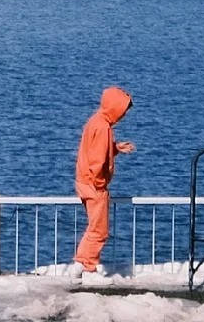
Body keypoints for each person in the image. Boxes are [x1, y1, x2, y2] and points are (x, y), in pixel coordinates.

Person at [69, 86, 135, 281]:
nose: (123, 116)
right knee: (99, 230)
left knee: (95, 228)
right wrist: (99, 184)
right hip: (93, 185)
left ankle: (84, 265)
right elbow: (97, 161)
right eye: (123, 110)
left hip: (85, 182)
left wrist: (114, 149)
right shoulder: (103, 127)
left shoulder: (96, 122)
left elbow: (96, 150)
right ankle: (86, 267)